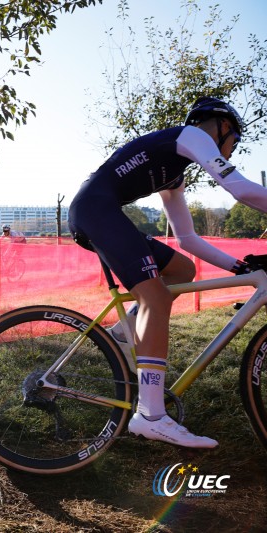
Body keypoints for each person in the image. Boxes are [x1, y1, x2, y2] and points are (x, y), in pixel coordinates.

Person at [68, 96, 267, 448]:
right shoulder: (192, 136)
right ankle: (151, 415)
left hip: (99, 210)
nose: (234, 148)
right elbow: (241, 190)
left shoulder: (174, 172)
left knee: (182, 269)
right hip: (94, 210)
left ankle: (123, 333)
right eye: (235, 139)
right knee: (155, 296)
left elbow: (187, 239)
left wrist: (240, 267)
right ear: (222, 126)